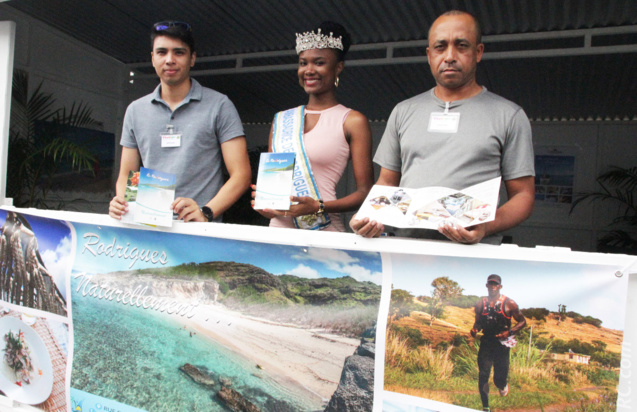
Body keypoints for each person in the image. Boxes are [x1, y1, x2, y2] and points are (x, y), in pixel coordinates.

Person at [350, 10, 535, 243]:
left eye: (461, 45)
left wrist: (486, 226)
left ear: (478, 52)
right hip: (407, 249)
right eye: (440, 47)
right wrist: (368, 216)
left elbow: (523, 195)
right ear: (429, 55)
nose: (449, 56)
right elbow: (387, 183)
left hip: (472, 254)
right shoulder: (403, 111)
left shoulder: (509, 115)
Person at [109, 21, 251, 222]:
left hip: (199, 233)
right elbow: (127, 175)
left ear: (192, 58)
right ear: (152, 58)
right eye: (161, 52)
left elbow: (241, 175)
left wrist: (206, 212)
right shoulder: (135, 110)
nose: (169, 60)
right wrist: (123, 203)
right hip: (149, 227)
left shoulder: (219, 105)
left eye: (179, 52)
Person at [251, 21, 374, 232]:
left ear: (338, 67)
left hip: (323, 229)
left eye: (319, 63)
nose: (308, 70)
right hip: (279, 232)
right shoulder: (281, 120)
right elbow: (272, 197)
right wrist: (264, 204)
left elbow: (365, 192)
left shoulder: (352, 120)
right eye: (302, 63)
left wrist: (317, 207)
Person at [470, 274, 526, 411]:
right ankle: (486, 407)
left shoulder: (509, 303)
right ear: (486, 286)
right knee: (483, 375)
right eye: (490, 284)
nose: (493, 287)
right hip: (486, 343)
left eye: (495, 284)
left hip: (502, 344)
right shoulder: (480, 304)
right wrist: (475, 329)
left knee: (498, 379)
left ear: (500, 286)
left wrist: (510, 332)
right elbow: (478, 322)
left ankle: (502, 385)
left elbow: (523, 322)